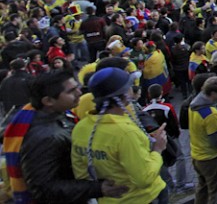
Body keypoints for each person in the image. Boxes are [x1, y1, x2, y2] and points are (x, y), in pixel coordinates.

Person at [6, 70, 126, 203]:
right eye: (71, 91)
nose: (79, 93)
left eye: (77, 87)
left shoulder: (60, 115)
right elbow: (42, 189)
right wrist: (97, 188)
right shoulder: (43, 137)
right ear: (48, 101)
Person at [70, 67, 167, 203]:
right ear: (123, 95)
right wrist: (157, 149)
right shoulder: (125, 133)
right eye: (129, 86)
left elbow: (81, 174)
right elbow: (144, 178)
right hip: (142, 199)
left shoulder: (81, 128)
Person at [189, 76, 217, 204]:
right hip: (211, 159)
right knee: (216, 193)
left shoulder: (194, 105)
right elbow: (215, 140)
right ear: (213, 93)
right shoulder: (211, 114)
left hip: (197, 156)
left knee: (202, 189)